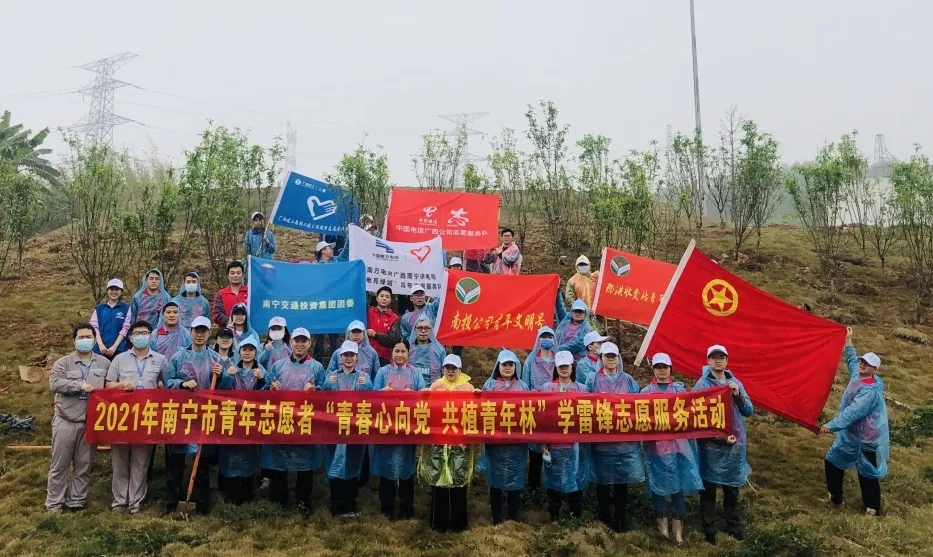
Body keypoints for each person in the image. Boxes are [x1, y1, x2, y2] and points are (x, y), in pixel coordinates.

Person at [820, 327, 889, 516]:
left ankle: (873, 508)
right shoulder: (857, 376)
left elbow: (852, 413)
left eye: (867, 364)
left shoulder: (870, 392)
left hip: (866, 438)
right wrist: (848, 340)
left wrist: (830, 426)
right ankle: (835, 498)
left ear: (875, 369)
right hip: (850, 436)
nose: (862, 365)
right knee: (833, 461)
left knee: (867, 472)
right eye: (862, 361)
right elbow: (851, 360)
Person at [46, 323, 111, 513]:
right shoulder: (63, 363)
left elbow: (110, 387)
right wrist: (79, 385)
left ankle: (76, 501)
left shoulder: (104, 363)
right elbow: (55, 383)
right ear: (74, 341)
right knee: (60, 465)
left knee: (84, 465)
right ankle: (54, 504)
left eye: (88, 337)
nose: (85, 341)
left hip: (90, 423)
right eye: (81, 337)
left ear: (95, 340)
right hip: (66, 420)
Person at [693, 344, 754, 545]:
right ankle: (709, 529)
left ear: (727, 361)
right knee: (708, 491)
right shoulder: (702, 385)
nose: (718, 360)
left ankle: (733, 526)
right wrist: (718, 438)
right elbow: (696, 417)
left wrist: (737, 395)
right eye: (714, 357)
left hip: (735, 446)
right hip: (711, 447)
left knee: (732, 490)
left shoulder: (735, 383)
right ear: (708, 361)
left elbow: (748, 411)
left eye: (721, 357)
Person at [261, 327, 326, 516]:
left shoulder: (317, 367)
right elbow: (264, 391)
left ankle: (303, 502)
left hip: (305, 421)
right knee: (279, 462)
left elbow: (325, 393)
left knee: (305, 464)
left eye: (304, 341)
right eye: (297, 341)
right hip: (283, 420)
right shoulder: (278, 366)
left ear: (309, 343)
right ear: (291, 342)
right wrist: (271, 390)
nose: (300, 344)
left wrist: (315, 392)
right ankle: (279, 501)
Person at [106, 320, 168, 514]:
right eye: (137, 333)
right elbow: (108, 385)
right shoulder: (119, 359)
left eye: (145, 333)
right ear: (131, 337)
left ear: (150, 336)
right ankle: (119, 501)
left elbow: (167, 386)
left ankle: (135, 503)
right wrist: (121, 385)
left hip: (147, 418)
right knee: (120, 461)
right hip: (122, 418)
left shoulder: (160, 360)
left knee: (141, 462)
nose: (141, 337)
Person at [162, 316, 222, 515]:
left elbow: (226, 389)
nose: (199, 334)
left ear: (209, 333)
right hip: (181, 415)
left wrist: (222, 375)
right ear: (191, 332)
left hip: (204, 416)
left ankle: (202, 503)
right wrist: (182, 383)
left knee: (202, 462)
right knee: (176, 462)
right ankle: (172, 503)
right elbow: (168, 382)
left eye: (203, 331)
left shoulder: (215, 359)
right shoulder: (178, 357)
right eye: (196, 330)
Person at [642, 353, 702, 545]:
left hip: (678, 447)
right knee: (658, 488)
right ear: (653, 369)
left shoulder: (679, 391)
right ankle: (662, 529)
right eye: (658, 367)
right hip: (656, 448)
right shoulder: (645, 392)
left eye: (665, 367)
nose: (661, 370)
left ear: (670, 369)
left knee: (678, 488)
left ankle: (678, 531)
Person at [586, 341, 645, 532]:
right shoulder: (592, 380)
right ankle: (604, 518)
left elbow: (638, 406)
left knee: (621, 482)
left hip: (624, 443)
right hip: (601, 442)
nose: (610, 360)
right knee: (603, 482)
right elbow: (585, 406)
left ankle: (620, 519)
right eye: (607, 356)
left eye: (613, 356)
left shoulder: (628, 380)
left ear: (618, 358)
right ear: (601, 358)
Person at [420, 355, 480, 532]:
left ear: (460, 369)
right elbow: (427, 412)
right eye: (448, 368)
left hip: (459, 444)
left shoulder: (468, 388)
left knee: (458, 483)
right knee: (438, 483)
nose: (451, 371)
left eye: (454, 368)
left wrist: (479, 399)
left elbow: (475, 414)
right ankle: (438, 523)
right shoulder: (436, 386)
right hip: (439, 443)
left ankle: (458, 523)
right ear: (443, 369)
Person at [371, 339, 427, 520]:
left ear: (408, 354)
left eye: (403, 351)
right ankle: (386, 507)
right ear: (391, 353)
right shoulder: (383, 372)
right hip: (386, 427)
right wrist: (382, 392)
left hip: (406, 428)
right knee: (386, 467)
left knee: (406, 467)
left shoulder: (416, 373)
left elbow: (424, 398)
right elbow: (371, 397)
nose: (400, 355)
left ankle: (406, 508)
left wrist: (414, 396)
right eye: (397, 351)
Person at [322, 340, 374, 518]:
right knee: (335, 463)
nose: (349, 358)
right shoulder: (332, 376)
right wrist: (327, 386)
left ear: (357, 358)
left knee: (352, 463)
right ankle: (336, 503)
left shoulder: (363, 377)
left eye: (352, 355)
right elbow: (322, 401)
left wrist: (366, 387)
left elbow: (371, 402)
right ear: (340, 357)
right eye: (346, 355)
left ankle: (350, 503)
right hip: (335, 429)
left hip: (354, 428)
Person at [480, 350, 528, 525]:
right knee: (496, 481)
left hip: (516, 444)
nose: (508, 368)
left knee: (515, 480)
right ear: (498, 366)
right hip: (496, 443)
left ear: (516, 366)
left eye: (511, 364)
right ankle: (496, 519)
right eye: (504, 364)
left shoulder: (523, 387)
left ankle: (513, 520)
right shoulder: (489, 385)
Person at [540, 351, 589, 521]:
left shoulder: (582, 389)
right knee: (553, 479)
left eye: (566, 366)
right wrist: (543, 441)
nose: (564, 369)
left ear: (572, 367)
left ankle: (575, 515)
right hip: (553, 443)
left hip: (575, 444)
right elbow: (542, 416)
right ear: (556, 368)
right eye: (560, 366)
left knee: (575, 478)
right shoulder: (547, 388)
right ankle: (554, 515)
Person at [217, 337, 266, 505]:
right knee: (229, 455)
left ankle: (246, 495)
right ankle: (229, 494)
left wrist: (261, 380)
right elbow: (221, 393)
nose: (247, 353)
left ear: (256, 352)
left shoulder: (261, 370)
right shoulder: (231, 368)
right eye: (244, 349)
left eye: (251, 350)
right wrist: (228, 377)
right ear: (239, 351)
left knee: (249, 455)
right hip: (232, 418)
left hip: (251, 420)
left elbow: (267, 396)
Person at [522, 325, 557, 489]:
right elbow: (525, 385)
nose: (547, 340)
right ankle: (534, 488)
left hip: (555, 409)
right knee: (535, 448)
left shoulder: (559, 360)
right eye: (544, 337)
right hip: (535, 409)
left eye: (550, 337)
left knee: (554, 447)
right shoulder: (530, 360)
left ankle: (551, 487)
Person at [311, 240, 344, 360]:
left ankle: (336, 362)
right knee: (318, 337)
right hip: (319, 306)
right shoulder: (314, 266)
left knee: (334, 336)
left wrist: (351, 235)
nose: (332, 249)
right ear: (323, 250)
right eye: (330, 247)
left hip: (333, 305)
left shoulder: (336, 261)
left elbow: (345, 253)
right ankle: (317, 363)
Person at [90, 278, 131, 358]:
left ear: (121, 292)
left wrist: (114, 347)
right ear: (107, 291)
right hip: (99, 350)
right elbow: (94, 327)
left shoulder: (126, 308)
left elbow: (125, 328)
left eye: (117, 289)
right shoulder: (99, 308)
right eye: (111, 289)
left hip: (119, 350)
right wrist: (101, 345)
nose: (114, 292)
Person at [368, 286, 401, 368]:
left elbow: (393, 339)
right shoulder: (368, 312)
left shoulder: (394, 318)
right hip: (367, 355)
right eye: (382, 296)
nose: (384, 299)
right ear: (377, 298)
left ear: (390, 300)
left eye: (387, 297)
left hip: (384, 357)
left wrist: (376, 335)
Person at [408, 317, 446, 386]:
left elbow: (445, 374)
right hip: (411, 389)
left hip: (434, 389)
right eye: (420, 328)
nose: (423, 331)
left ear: (431, 330)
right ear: (415, 330)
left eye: (426, 328)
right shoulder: (407, 349)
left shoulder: (439, 350)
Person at [554, 295, 593, 360]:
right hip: (558, 358)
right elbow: (559, 307)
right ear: (571, 312)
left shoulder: (587, 330)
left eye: (580, 311)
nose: (578, 314)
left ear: (585, 313)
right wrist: (558, 293)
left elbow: (576, 345)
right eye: (575, 311)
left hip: (576, 362)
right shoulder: (564, 320)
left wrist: (556, 349)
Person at [212, 261, 248, 327]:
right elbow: (216, 314)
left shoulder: (249, 292)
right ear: (228, 276)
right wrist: (230, 321)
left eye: (238, 273)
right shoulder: (221, 294)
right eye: (232, 273)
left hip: (247, 330)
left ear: (243, 275)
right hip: (227, 331)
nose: (235, 275)